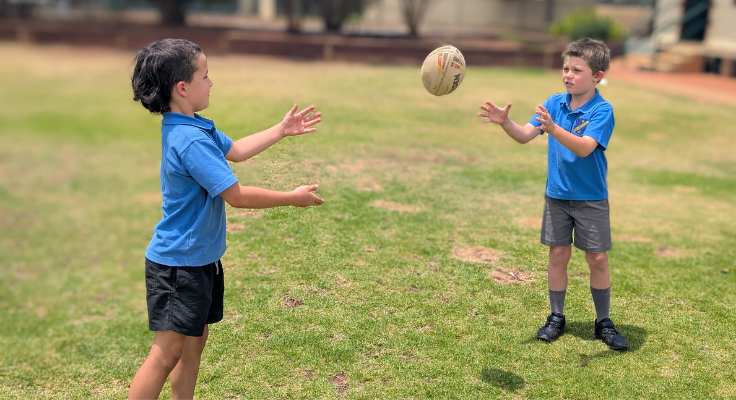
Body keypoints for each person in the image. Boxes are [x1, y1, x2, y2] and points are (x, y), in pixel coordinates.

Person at [128, 38, 325, 399]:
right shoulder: (189, 140)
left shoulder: (194, 126)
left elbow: (236, 151)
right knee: (166, 354)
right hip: (177, 265)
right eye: (205, 75)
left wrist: (280, 130)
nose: (211, 82)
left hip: (199, 260)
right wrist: (292, 199)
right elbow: (235, 196)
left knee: (193, 347)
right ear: (183, 88)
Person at [477, 38, 628, 351]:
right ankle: (556, 317)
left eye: (577, 69)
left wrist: (554, 128)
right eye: (565, 68)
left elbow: (586, 147)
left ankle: (604, 322)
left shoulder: (602, 110)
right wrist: (506, 123)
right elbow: (524, 135)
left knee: (597, 258)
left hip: (590, 197)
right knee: (558, 254)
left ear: (597, 76)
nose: (568, 75)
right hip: (557, 195)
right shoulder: (554, 103)